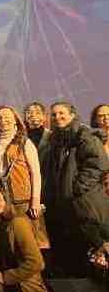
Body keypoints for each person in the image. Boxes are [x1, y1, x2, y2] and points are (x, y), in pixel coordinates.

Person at [42, 102, 108, 277]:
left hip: (81, 205)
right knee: (67, 255)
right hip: (61, 207)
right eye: (54, 115)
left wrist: (76, 188)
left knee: (86, 253)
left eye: (62, 113)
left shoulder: (83, 135)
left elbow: (97, 163)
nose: (57, 117)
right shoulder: (52, 140)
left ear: (72, 115)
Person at [0, 106, 49, 249]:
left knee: (29, 242)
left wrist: (35, 201)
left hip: (23, 201)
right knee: (5, 242)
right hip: (1, 201)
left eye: (7, 117)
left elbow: (35, 173)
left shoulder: (25, 143)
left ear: (15, 120)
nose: (3, 120)